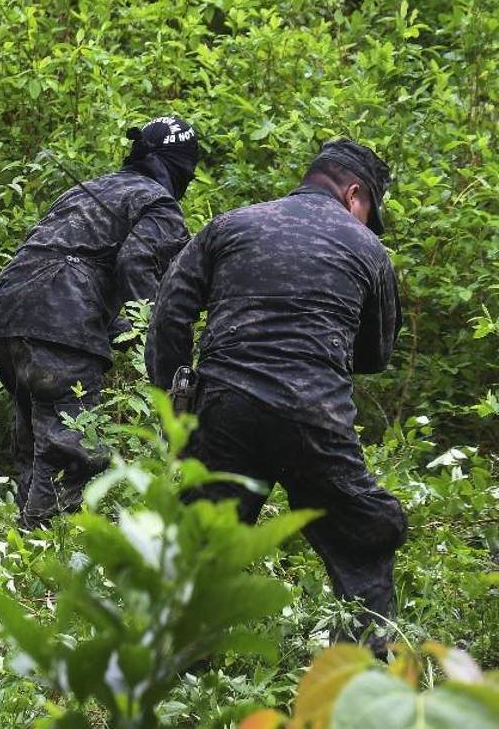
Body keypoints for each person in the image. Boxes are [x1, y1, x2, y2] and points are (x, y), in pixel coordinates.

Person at [146, 139, 405, 654]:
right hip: (316, 414)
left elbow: (169, 314)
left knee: (203, 538)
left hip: (223, 408)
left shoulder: (229, 225)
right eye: (369, 210)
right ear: (355, 194)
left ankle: (177, 660)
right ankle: (364, 661)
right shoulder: (369, 250)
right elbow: (375, 358)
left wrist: (173, 399)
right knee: (363, 528)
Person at [0, 116, 198, 528]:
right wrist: (155, 340)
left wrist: (120, 332)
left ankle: (23, 547)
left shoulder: (85, 191)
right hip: (61, 324)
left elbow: (79, 263)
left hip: (9, 315)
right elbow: (137, 263)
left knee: (37, 445)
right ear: (181, 168)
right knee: (72, 453)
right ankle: (48, 557)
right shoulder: (159, 203)